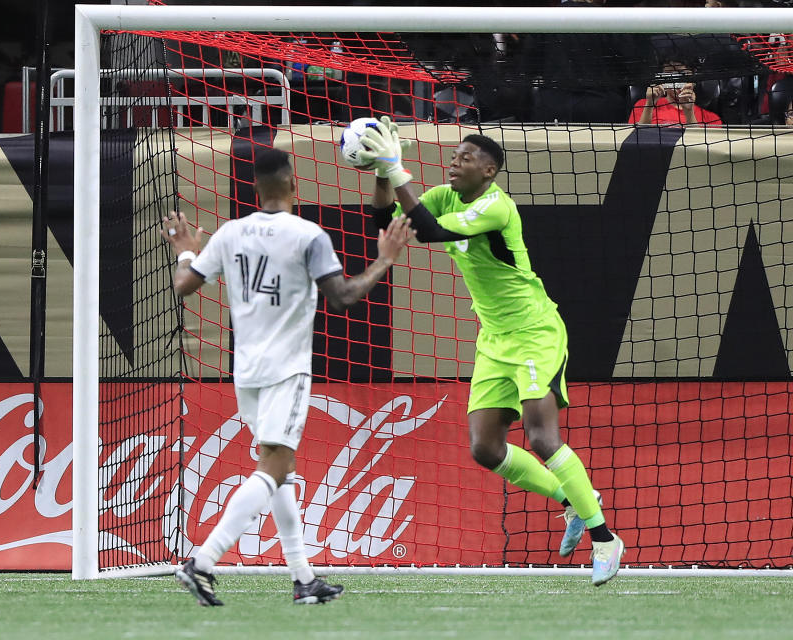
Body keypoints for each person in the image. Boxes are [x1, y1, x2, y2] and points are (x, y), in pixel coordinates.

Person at [358, 117, 624, 586]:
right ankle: (575, 502)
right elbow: (385, 219)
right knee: (485, 447)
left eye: (466, 158)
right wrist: (383, 169)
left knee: (542, 437)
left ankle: (605, 540)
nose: (455, 163)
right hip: (494, 339)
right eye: (454, 156)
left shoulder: (496, 208)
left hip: (534, 332)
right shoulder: (445, 196)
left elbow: (432, 233)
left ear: (490, 171)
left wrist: (399, 170)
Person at [162, 148, 414, 606]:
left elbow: (185, 286)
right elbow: (343, 297)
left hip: (247, 371)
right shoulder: (308, 235)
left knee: (282, 472)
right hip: (287, 368)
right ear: (294, 185)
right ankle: (201, 562)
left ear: (256, 189)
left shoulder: (230, 233)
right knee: (274, 467)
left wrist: (184, 253)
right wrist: (385, 259)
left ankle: (303, 579)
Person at [630, 61, 723, 126]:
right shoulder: (642, 106)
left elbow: (701, 149)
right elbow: (635, 141)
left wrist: (689, 112)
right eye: (669, 74)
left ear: (693, 78)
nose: (676, 80)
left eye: (682, 74)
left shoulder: (711, 119)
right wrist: (649, 105)